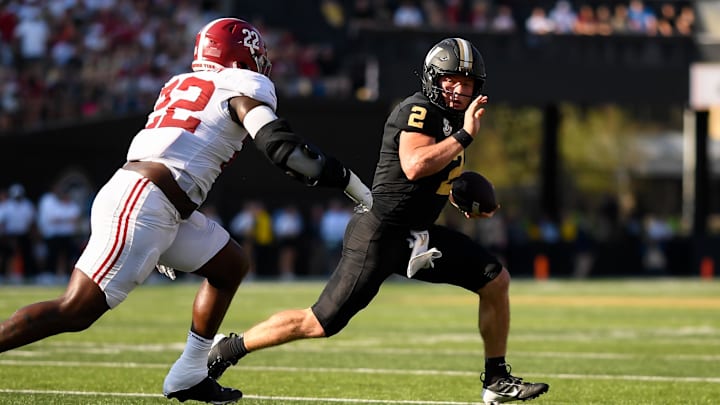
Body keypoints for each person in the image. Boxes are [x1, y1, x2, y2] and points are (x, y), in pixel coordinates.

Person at [0, 17, 371, 404]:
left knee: (228, 265)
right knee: (76, 310)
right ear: (240, 57)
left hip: (162, 202)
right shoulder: (244, 85)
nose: (262, 62)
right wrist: (352, 184)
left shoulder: (180, 83)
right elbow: (285, 152)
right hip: (144, 201)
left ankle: (190, 374)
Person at [207, 38, 549, 404]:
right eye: (453, 80)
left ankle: (495, 380)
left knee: (495, 281)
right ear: (435, 78)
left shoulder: (451, 121)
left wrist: (460, 195)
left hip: (415, 234)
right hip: (380, 232)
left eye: (467, 84)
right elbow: (414, 165)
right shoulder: (417, 110)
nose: (460, 90)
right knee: (320, 322)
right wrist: (464, 136)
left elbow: (425, 179)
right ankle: (229, 348)